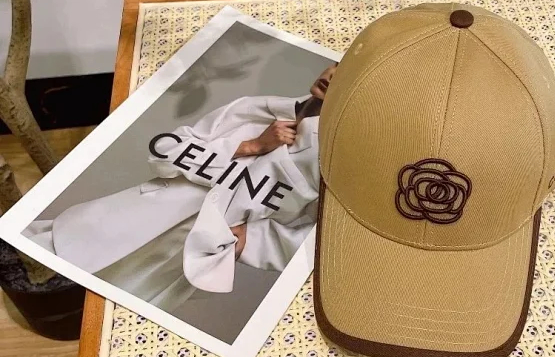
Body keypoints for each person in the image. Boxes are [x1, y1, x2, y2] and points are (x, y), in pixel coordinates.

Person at [26, 64, 337, 313]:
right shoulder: (254, 108)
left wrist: (251, 241)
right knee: (44, 263)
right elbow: (165, 150)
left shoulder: (333, 162)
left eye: (348, 74)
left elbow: (325, 242)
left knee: (102, 316)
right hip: (139, 213)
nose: (335, 74)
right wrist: (250, 145)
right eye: (338, 64)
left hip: (180, 256)